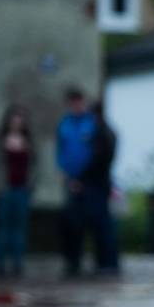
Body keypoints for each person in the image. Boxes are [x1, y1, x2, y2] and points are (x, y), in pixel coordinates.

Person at [56, 87, 97, 276]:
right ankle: (71, 260)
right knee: (70, 223)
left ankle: (86, 259)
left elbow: (95, 153)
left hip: (88, 181)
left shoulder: (92, 123)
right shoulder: (65, 124)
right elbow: (60, 151)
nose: (77, 106)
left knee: (88, 222)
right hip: (70, 181)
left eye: (79, 102)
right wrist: (66, 175)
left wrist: (84, 178)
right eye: (73, 103)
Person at [0, 106, 33, 279]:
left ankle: (18, 264)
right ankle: (0, 264)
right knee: (3, 228)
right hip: (5, 189)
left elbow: (35, 165)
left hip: (22, 189)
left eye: (19, 121)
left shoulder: (28, 143)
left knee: (19, 228)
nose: (16, 124)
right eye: (13, 121)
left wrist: (31, 184)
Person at [85, 97, 120, 275]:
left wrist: (82, 177)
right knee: (104, 224)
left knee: (102, 225)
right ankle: (107, 262)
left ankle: (107, 262)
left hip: (97, 184)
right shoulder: (107, 132)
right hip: (102, 182)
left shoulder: (101, 133)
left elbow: (98, 160)